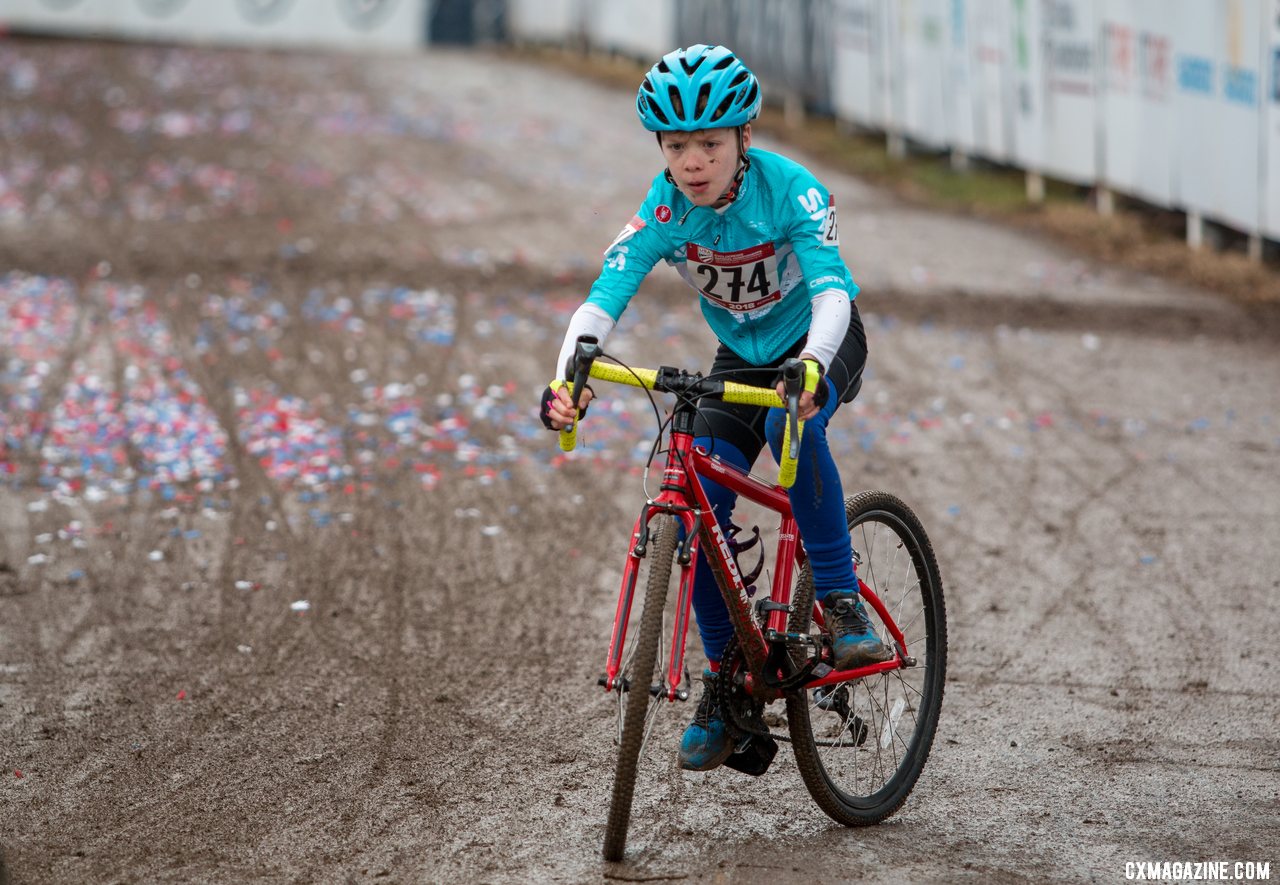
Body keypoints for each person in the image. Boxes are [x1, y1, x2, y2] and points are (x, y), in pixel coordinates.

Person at [541, 44, 890, 772]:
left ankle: (840, 599)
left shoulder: (791, 192)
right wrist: (566, 380)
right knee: (693, 477)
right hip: (742, 356)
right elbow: (604, 297)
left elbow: (830, 294)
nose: (693, 161)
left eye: (710, 143)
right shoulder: (664, 207)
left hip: (819, 340)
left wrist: (812, 369)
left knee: (788, 419)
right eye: (676, 146)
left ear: (744, 140)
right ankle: (729, 683)